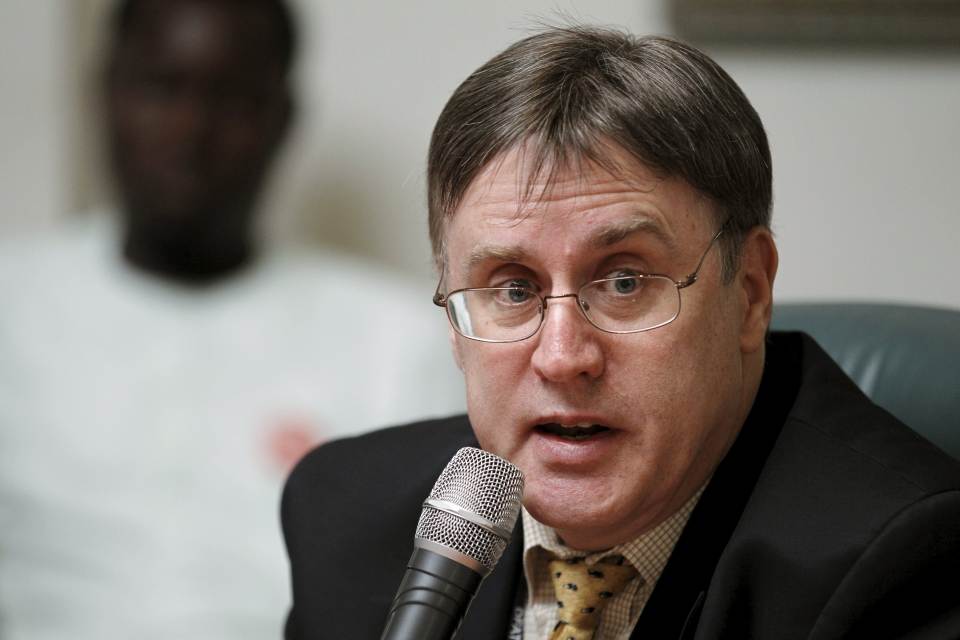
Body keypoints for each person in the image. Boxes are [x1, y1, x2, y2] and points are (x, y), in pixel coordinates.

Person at [281, 25, 960, 639]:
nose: (562, 357)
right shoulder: (349, 519)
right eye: (513, 290)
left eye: (625, 282)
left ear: (750, 292)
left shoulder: (904, 564)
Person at [0, 1, 463, 638]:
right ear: (105, 94)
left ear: (283, 120)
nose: (190, 131)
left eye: (232, 100)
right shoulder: (13, 305)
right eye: (162, 88)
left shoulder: (396, 340)